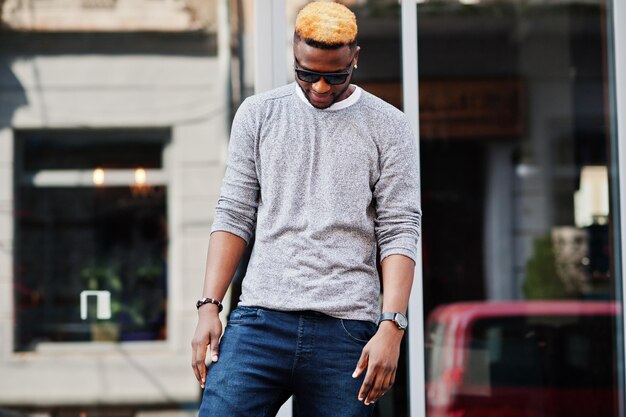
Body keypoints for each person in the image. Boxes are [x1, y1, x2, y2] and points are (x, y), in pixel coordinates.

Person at [191, 2, 421, 416]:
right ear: (293, 53)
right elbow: (234, 213)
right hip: (261, 320)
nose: (319, 87)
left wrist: (393, 326)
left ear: (355, 58)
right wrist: (210, 305)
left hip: (346, 329)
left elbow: (399, 228)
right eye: (306, 73)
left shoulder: (389, 126)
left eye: (335, 76)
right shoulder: (258, 115)